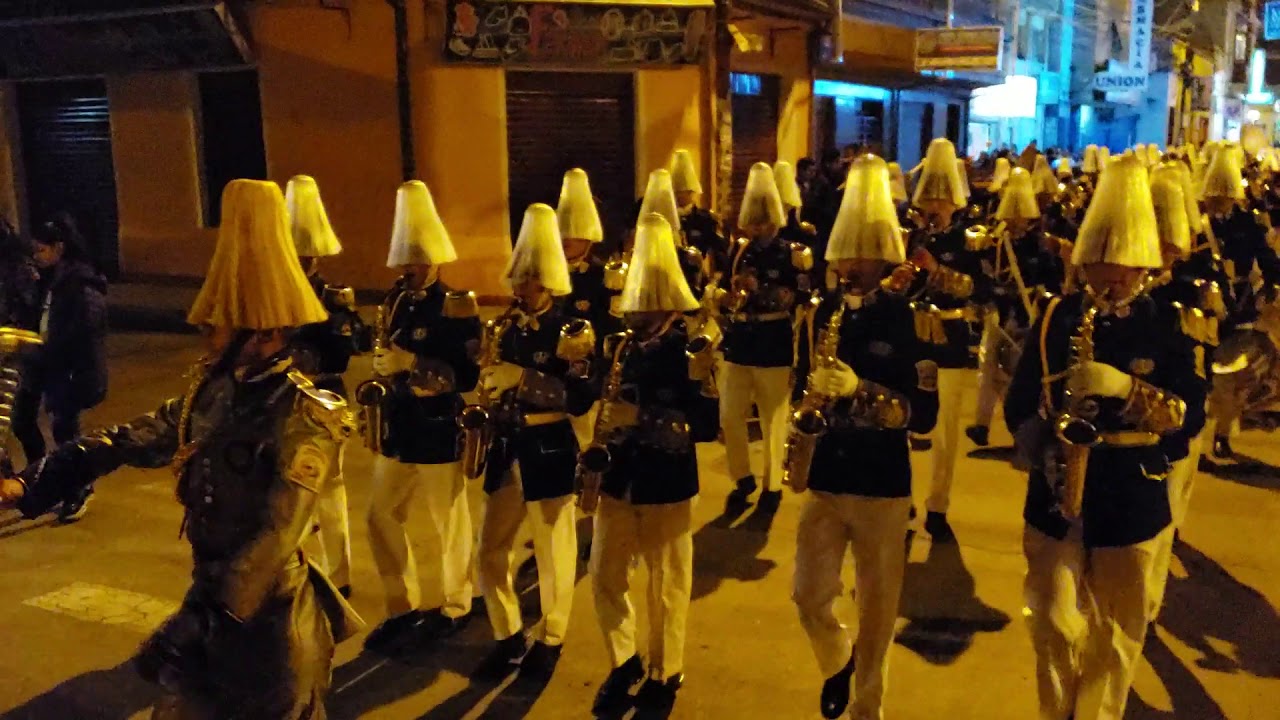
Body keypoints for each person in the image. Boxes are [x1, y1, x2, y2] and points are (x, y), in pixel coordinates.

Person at [0, 179, 363, 719]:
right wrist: (30, 483)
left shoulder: (306, 417)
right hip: (211, 614)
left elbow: (270, 542)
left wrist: (195, 624)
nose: (203, 330)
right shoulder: (214, 390)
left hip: (266, 633)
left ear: (262, 334)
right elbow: (126, 440)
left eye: (219, 324)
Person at [1004, 154, 1204, 720]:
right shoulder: (1055, 317)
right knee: (1050, 622)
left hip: (1131, 495)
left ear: (1144, 267)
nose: (1112, 276)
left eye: (1125, 265)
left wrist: (1126, 390)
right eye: (1102, 263)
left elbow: (1188, 417)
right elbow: (1019, 404)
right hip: (1056, 496)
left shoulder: (1168, 325)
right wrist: (1038, 442)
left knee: (1116, 637)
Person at [790, 154, 939, 720]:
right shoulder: (821, 314)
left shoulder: (908, 319)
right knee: (807, 594)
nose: (852, 265)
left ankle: (867, 708)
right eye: (845, 254)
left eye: (864, 256)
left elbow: (920, 414)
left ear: (884, 258)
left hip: (881, 484)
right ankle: (837, 661)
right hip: (826, 476)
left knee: (878, 610)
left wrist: (861, 391)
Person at [586, 212, 718, 718]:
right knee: (604, 576)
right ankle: (624, 661)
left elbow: (704, 424)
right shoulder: (620, 344)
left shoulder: (690, 348)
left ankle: (666, 672)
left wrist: (639, 415)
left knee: (667, 584)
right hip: (617, 475)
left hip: (666, 480)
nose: (630, 305)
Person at [474, 203, 596, 683]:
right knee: (490, 550)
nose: (520, 288)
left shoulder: (571, 330)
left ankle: (552, 637)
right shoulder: (504, 325)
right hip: (507, 447)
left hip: (548, 445)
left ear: (547, 280)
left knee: (553, 551)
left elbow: (580, 397)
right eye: (517, 279)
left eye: (529, 280)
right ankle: (506, 635)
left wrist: (522, 378)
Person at [361, 180, 484, 655]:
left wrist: (409, 364)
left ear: (433, 258)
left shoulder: (456, 305)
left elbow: (466, 373)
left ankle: (457, 603)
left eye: (417, 259)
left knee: (447, 520)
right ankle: (402, 604)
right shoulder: (394, 302)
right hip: (398, 428)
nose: (410, 268)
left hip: (436, 427)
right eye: (404, 259)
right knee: (379, 516)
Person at [285, 175, 367, 598]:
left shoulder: (332, 298)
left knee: (330, 488)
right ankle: (295, 564)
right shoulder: (274, 295)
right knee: (287, 488)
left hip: (323, 398)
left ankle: (340, 573)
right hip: (282, 399)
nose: (299, 260)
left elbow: (352, 345)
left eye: (305, 254)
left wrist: (330, 321)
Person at [1144, 166, 1218, 623]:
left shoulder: (1191, 287)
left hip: (1179, 412)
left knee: (1167, 511)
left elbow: (1202, 351)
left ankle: (1148, 609)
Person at [716, 163, 812, 508]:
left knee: (774, 418)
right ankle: (741, 476)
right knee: (730, 413)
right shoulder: (739, 250)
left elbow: (798, 297)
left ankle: (772, 484)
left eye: (762, 221)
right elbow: (721, 288)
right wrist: (727, 296)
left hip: (773, 341)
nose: (757, 228)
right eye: (752, 221)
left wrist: (763, 290)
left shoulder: (791, 254)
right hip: (739, 340)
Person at [905, 138, 984, 541]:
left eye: (942, 198)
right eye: (929, 198)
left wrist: (935, 269)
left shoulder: (969, 239)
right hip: (911, 337)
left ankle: (938, 504)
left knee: (946, 430)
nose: (934, 206)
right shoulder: (908, 235)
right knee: (904, 420)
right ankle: (904, 499)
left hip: (949, 337)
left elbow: (973, 289)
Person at [11, 214, 108, 522]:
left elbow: (86, 328)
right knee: (22, 419)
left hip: (67, 368)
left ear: (59, 248)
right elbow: (34, 313)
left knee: (66, 431)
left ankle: (78, 490)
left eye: (42, 250)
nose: (37, 257)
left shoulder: (81, 282)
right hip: (41, 362)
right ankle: (42, 479)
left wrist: (48, 347)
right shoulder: (45, 279)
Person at [966, 168, 1063, 447]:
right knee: (986, 366)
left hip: (1026, 310)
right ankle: (981, 424)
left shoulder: (1038, 244)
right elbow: (983, 274)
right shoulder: (996, 241)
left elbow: (1050, 279)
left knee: (1017, 370)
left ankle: (1017, 423)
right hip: (999, 309)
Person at [1200, 147, 1280, 459]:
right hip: (1203, 311)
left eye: (1223, 197)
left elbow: (1267, 260)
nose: (1217, 202)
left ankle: (1221, 434)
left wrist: (1271, 284)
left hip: (1239, 306)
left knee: (1231, 378)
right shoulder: (1198, 225)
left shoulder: (1249, 223)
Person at [671, 149, 727, 276]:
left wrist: (717, 278)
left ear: (691, 191)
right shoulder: (667, 219)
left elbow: (720, 252)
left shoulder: (705, 219)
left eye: (682, 191)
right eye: (676, 192)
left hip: (696, 275)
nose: (678, 196)